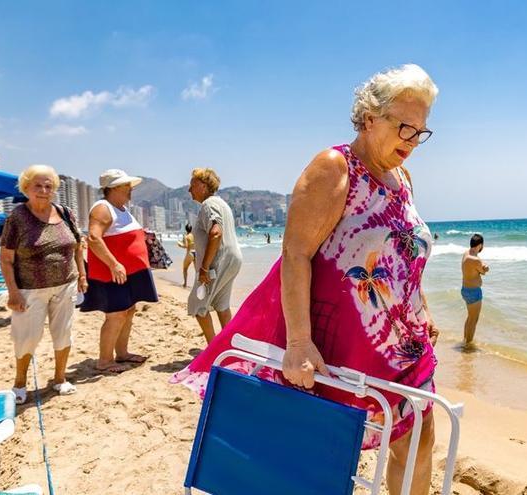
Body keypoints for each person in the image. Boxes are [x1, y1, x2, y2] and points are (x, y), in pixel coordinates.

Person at [172, 64, 440, 494]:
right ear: (371, 118)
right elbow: (296, 253)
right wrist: (298, 343)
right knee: (323, 454)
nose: (412, 141)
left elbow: (404, 254)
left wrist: (421, 309)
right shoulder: (336, 168)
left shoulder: (403, 178)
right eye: (404, 126)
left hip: (403, 346)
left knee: (419, 441)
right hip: (344, 346)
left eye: (421, 131)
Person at [0, 164, 86, 404]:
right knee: (26, 337)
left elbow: (78, 245)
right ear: (26, 187)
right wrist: (13, 293)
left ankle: (60, 379)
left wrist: (82, 275)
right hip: (29, 290)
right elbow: (6, 260)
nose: (44, 190)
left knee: (63, 334)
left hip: (65, 285)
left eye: (49, 186)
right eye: (38, 185)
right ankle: (19, 383)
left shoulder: (66, 213)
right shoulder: (17, 217)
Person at [80, 169, 158, 373]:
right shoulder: (103, 208)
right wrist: (114, 263)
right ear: (113, 188)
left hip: (130, 273)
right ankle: (104, 361)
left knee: (128, 311)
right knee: (115, 315)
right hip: (113, 273)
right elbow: (94, 238)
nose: (130, 189)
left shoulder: (121, 208)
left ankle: (121, 353)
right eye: (126, 185)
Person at [187, 168, 243, 343]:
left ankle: (213, 348)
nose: (189, 190)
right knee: (222, 305)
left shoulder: (208, 204)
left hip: (218, 262)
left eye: (192, 185)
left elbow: (216, 233)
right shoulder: (222, 204)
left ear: (203, 186)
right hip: (232, 260)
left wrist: (204, 267)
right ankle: (231, 346)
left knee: (197, 306)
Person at [461, 234, 489, 345]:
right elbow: (483, 271)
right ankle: (468, 344)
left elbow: (475, 267)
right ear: (480, 245)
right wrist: (486, 268)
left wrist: (483, 266)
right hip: (474, 292)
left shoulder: (466, 254)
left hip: (465, 289)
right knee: (474, 319)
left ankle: (465, 340)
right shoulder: (475, 259)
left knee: (470, 317)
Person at [180, 223, 196, 288]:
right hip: (196, 253)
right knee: (197, 271)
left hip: (190, 253)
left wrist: (179, 244)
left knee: (185, 268)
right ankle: (197, 285)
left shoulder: (186, 236)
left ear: (186, 229)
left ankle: (185, 284)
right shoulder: (194, 235)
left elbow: (185, 246)